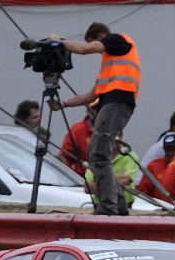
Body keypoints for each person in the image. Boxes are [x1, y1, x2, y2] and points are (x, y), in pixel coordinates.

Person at [46, 22, 140, 215]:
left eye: (95, 42)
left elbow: (84, 49)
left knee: (98, 154)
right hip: (115, 104)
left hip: (117, 103)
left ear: (100, 35)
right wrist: (63, 104)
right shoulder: (111, 65)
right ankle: (118, 206)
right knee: (98, 154)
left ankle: (108, 207)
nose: (98, 50)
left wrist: (59, 41)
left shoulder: (117, 40)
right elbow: (90, 96)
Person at [84, 133, 141, 213]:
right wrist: (116, 182)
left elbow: (124, 180)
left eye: (115, 135)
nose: (112, 139)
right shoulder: (95, 157)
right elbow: (88, 187)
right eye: (108, 136)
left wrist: (99, 182)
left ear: (121, 136)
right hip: (99, 208)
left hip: (123, 208)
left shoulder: (130, 156)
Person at [136, 132, 175, 201]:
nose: (170, 152)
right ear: (163, 149)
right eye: (167, 149)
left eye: (173, 149)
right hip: (159, 208)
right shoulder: (154, 165)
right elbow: (143, 191)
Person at [59, 105, 96, 176]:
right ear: (88, 111)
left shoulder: (111, 129)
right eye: (93, 108)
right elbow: (65, 158)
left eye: (99, 108)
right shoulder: (77, 130)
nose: (96, 111)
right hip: (82, 179)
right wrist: (73, 177)